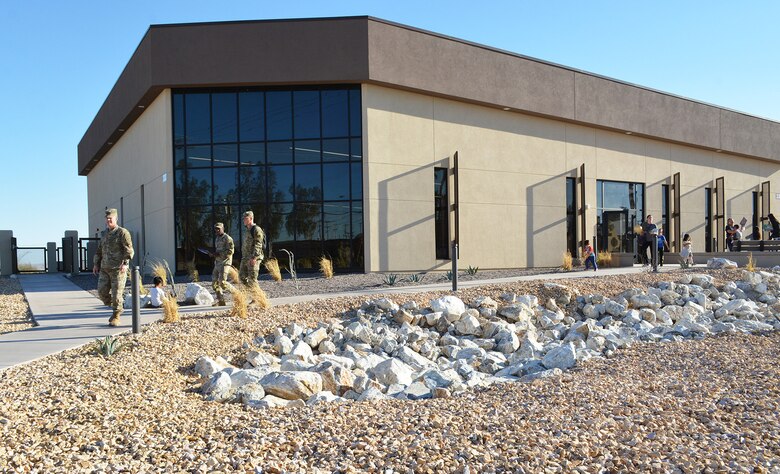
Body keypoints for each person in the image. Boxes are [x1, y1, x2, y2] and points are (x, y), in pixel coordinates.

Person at [92, 208, 134, 326]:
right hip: (105, 269)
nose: (108, 220)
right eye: (107, 218)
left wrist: (125, 264)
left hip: (118, 270)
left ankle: (116, 315)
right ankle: (117, 305)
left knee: (117, 295)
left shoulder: (122, 232)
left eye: (111, 218)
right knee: (101, 292)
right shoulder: (104, 234)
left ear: (116, 219)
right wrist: (96, 264)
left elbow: (129, 250)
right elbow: (99, 250)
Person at [239, 210, 266, 286]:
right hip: (245, 257)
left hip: (253, 258)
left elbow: (258, 244)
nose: (243, 220)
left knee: (252, 279)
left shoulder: (256, 229)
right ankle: (251, 292)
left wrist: (254, 257)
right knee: (241, 277)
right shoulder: (247, 230)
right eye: (243, 218)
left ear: (251, 218)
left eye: (245, 218)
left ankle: (257, 297)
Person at [211, 222, 235, 306]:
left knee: (222, 282)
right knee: (214, 284)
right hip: (217, 263)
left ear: (222, 229)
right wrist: (213, 254)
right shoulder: (217, 239)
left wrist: (219, 254)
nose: (217, 230)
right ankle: (221, 301)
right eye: (216, 229)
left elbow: (231, 251)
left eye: (219, 229)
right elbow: (218, 251)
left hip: (225, 263)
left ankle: (237, 294)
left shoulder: (227, 238)